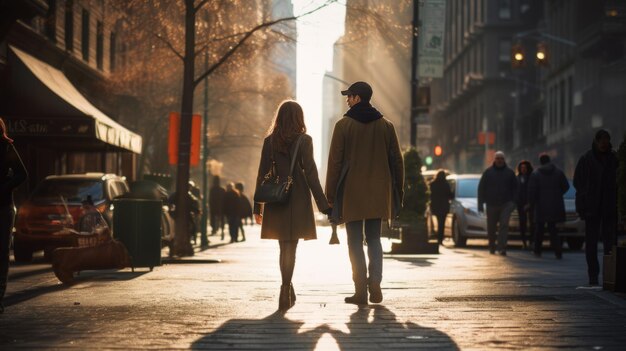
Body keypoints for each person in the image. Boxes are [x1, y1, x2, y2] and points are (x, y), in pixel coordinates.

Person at [326, 81, 403, 305]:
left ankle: (360, 290)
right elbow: (397, 162)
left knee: (354, 242)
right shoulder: (386, 126)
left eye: (349, 96)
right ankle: (375, 283)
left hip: (351, 193)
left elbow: (335, 163)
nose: (347, 100)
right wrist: (398, 190)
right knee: (374, 239)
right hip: (379, 192)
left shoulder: (343, 125)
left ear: (358, 98)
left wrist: (330, 196)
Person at [254, 100, 330, 311]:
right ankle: (286, 288)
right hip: (297, 199)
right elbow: (312, 175)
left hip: (276, 200)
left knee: (283, 247)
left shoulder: (269, 141)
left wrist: (257, 206)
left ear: (279, 117)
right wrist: (323, 205)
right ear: (299, 118)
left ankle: (286, 288)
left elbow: (262, 174)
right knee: (291, 247)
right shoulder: (305, 141)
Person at [574, 129, 619, 286]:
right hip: (591, 206)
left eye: (606, 141)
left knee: (610, 242)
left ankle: (609, 276)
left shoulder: (614, 158)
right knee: (591, 243)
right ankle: (593, 275)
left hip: (609, 205)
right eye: (601, 141)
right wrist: (582, 205)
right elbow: (578, 184)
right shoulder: (586, 159)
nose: (603, 144)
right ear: (596, 141)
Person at [0, 117, 27, 313]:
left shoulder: (5, 147)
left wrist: (4, 188)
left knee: (1, 253)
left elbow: (22, 174)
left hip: (3, 207)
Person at [528, 154, 569, 259]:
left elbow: (532, 191)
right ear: (549, 161)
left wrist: (532, 203)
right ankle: (558, 252)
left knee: (539, 230)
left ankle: (537, 251)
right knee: (553, 230)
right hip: (555, 205)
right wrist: (557, 194)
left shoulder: (536, 174)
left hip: (540, 206)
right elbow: (566, 186)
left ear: (540, 162)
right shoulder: (559, 172)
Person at [477, 151, 517, 256]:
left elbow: (516, 189)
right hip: (491, 204)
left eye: (501, 158)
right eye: (498, 158)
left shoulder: (510, 173)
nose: (499, 160)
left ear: (504, 160)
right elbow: (481, 189)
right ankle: (492, 246)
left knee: (504, 225)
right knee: (491, 227)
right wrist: (480, 204)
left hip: (506, 204)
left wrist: (513, 203)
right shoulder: (488, 172)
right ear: (494, 159)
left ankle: (502, 248)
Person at [429, 170, 453, 245]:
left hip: (435, 206)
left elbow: (430, 195)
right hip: (444, 206)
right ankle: (440, 239)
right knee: (442, 223)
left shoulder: (432, 184)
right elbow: (450, 195)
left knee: (438, 222)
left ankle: (437, 236)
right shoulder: (446, 184)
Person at [516, 160, 534, 249]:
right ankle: (524, 242)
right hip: (520, 204)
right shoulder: (517, 178)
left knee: (532, 223)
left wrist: (530, 203)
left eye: (525, 168)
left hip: (531, 203)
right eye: (521, 168)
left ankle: (531, 241)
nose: (523, 169)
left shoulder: (532, 177)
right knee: (522, 223)